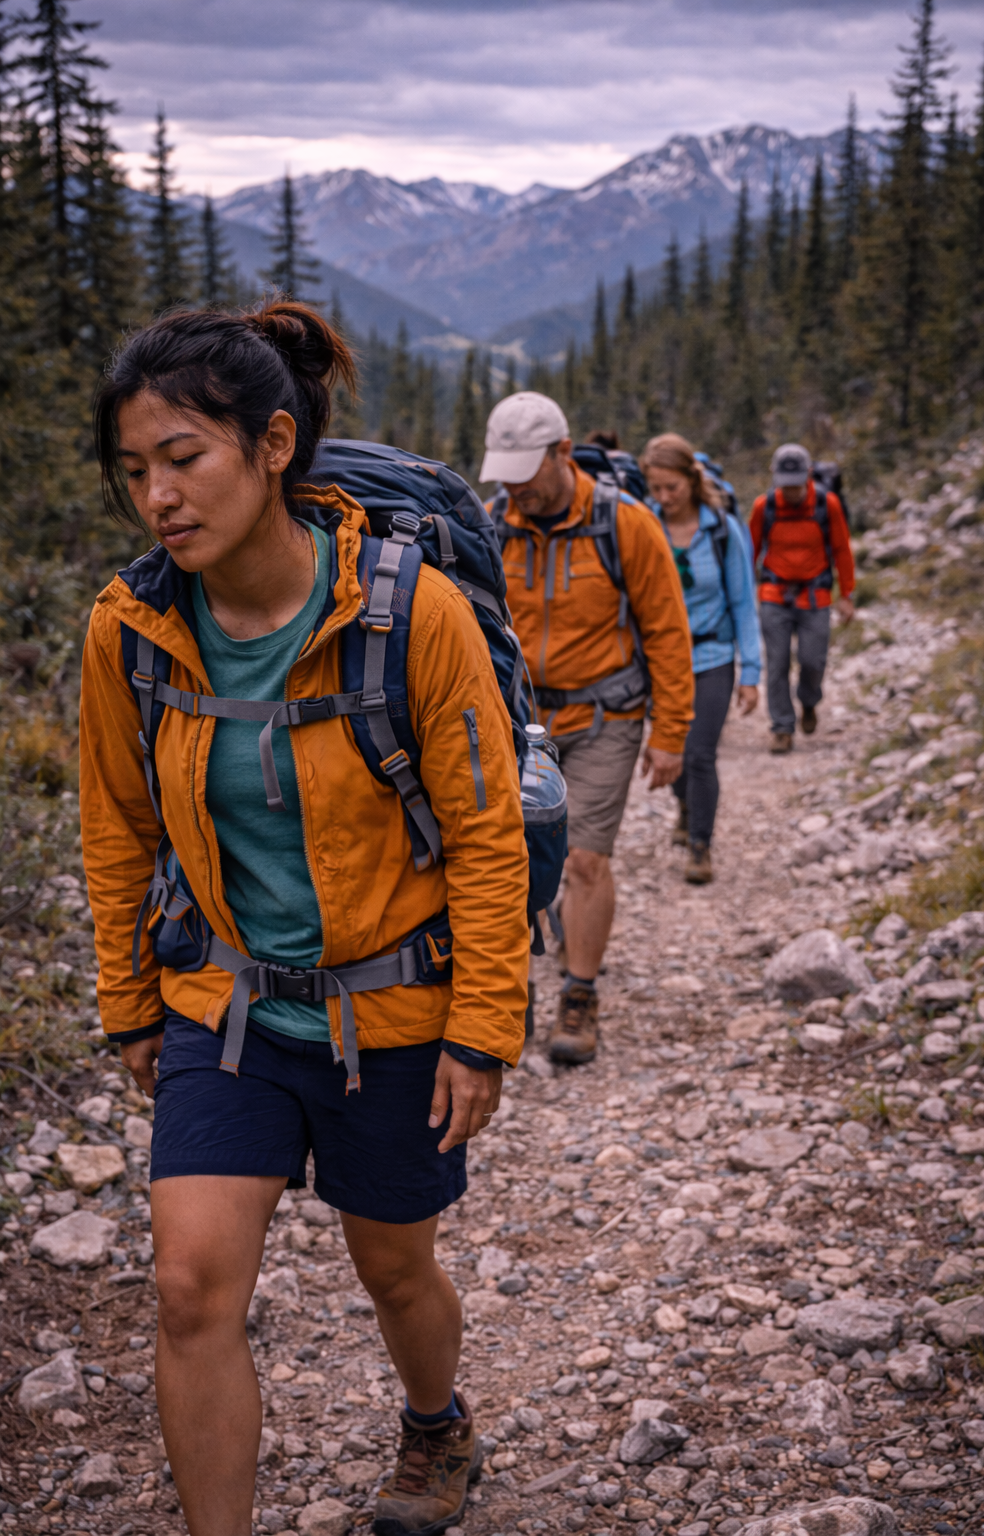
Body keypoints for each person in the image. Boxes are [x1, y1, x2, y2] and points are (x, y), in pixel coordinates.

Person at [81, 301, 530, 1536]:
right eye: (135, 472)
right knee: (188, 1288)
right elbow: (118, 830)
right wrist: (130, 1000)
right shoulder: (131, 632)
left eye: (185, 457)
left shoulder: (410, 616)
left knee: (393, 1266)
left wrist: (482, 1026)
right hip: (223, 1006)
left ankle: (436, 1427)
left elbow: (487, 835)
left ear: (274, 445)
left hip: (391, 1005)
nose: (158, 497)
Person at [481, 391, 693, 1065]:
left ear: (564, 453)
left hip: (606, 716)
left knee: (585, 859)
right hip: (517, 720)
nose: (517, 488)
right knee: (507, 858)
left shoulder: (625, 524)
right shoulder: (490, 524)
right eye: (505, 474)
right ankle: (512, 988)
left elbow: (665, 628)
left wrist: (672, 732)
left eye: (527, 472)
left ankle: (580, 992)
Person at [640, 433, 761, 884]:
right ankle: (686, 805)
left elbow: (743, 602)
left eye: (672, 487)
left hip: (711, 656)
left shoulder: (722, 530)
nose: (664, 497)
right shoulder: (643, 525)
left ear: (692, 480)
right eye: (656, 488)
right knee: (668, 750)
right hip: (658, 662)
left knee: (700, 754)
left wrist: (751, 671)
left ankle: (700, 845)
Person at [749, 442, 855, 754]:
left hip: (816, 595)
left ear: (809, 476)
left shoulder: (828, 504)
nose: (792, 492)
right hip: (774, 594)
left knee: (812, 660)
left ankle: (808, 702)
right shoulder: (763, 507)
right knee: (777, 662)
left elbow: (841, 549)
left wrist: (846, 594)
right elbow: (749, 552)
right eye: (786, 486)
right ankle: (782, 727)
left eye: (797, 486)